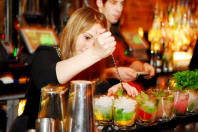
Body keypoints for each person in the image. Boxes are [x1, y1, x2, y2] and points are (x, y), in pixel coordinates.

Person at [10, 7, 138, 132]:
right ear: (73, 33)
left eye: (96, 41)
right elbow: (46, 80)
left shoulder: (94, 73)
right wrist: (95, 53)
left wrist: (109, 96)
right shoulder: (47, 53)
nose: (90, 46)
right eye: (87, 37)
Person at [89, 0, 155, 83]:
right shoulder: (89, 33)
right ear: (100, 3)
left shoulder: (115, 34)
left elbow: (124, 61)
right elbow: (84, 73)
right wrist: (112, 72)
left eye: (121, 4)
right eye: (114, 2)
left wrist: (141, 67)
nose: (119, 9)